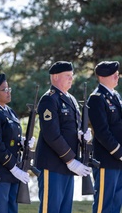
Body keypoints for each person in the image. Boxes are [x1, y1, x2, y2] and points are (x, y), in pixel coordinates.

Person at [35, 61, 92, 213]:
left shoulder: (72, 99)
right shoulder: (49, 99)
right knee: (51, 209)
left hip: (67, 166)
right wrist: (71, 160)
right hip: (52, 164)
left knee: (65, 210)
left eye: (72, 76)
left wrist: (82, 135)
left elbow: (75, 126)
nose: (71, 79)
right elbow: (51, 134)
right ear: (55, 77)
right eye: (67, 75)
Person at [0, 73, 33, 213]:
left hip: (12, 172)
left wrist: (22, 143)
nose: (8, 92)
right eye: (4, 89)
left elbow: (11, 139)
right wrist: (13, 167)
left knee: (11, 209)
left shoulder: (10, 112)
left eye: (9, 89)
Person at [87, 61, 122, 213]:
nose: (117, 76)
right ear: (102, 76)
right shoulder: (97, 98)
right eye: (112, 73)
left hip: (118, 162)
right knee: (104, 205)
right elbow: (102, 132)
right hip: (107, 159)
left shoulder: (115, 96)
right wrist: (119, 152)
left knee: (116, 204)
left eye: (117, 73)